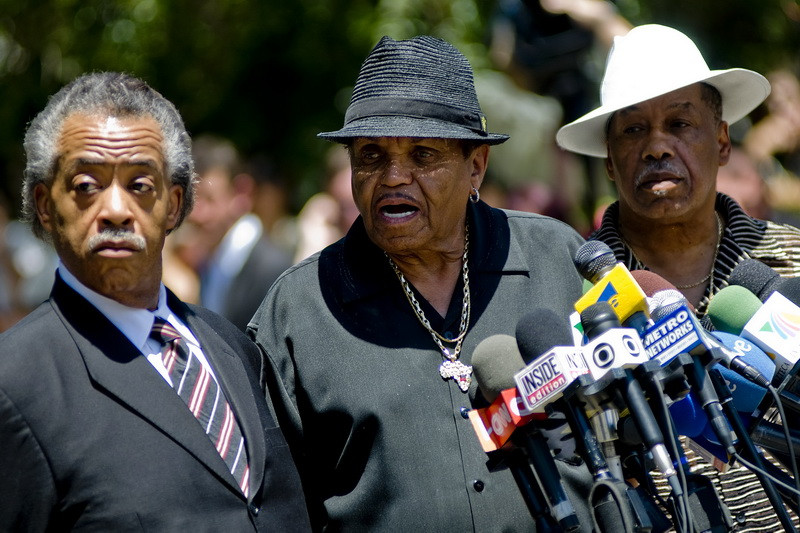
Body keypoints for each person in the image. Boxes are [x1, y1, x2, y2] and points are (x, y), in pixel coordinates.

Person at [248, 36, 595, 531]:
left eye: (423, 154)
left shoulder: (555, 259)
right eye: (371, 155)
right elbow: (272, 505)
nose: (393, 177)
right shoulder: (298, 312)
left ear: (476, 167)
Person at [0, 72, 311, 531]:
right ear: (45, 204)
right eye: (86, 185)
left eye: (140, 185)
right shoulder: (15, 383)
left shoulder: (233, 347)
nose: (116, 210)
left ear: (175, 204)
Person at [556, 24, 800, 530]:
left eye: (680, 123)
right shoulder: (573, 300)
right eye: (633, 130)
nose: (656, 147)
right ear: (609, 161)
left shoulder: (793, 261)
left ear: (722, 141)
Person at [179, 134, 293, 331]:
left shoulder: (274, 269)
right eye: (191, 200)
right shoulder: (204, 264)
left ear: (241, 193)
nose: (197, 214)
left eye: (209, 199)